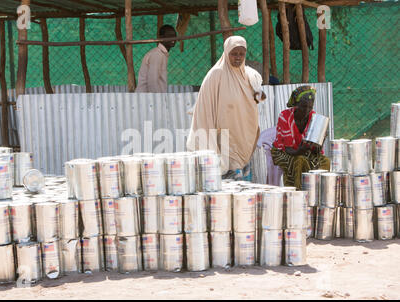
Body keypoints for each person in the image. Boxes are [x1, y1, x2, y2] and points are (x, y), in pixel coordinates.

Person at [186, 35, 266, 180]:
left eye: (241, 54)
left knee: (240, 180)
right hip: (222, 137)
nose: (238, 57)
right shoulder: (216, 75)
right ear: (226, 53)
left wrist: (258, 93)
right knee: (226, 174)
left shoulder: (250, 76)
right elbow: (205, 106)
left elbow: (259, 97)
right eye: (234, 54)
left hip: (242, 134)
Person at [271, 85, 330, 189]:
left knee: (325, 161)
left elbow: (316, 151)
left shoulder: (313, 117)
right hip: (283, 152)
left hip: (304, 151)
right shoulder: (285, 117)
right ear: (296, 105)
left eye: (310, 107)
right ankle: (297, 193)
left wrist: (320, 142)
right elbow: (288, 149)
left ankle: (318, 193)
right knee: (299, 161)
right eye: (304, 107)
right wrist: (301, 150)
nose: (307, 110)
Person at [135, 25, 177, 93]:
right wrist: (157, 100)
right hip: (147, 99)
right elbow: (152, 81)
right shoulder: (157, 55)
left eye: (174, 36)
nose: (173, 39)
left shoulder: (161, 54)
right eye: (169, 36)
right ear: (161, 38)